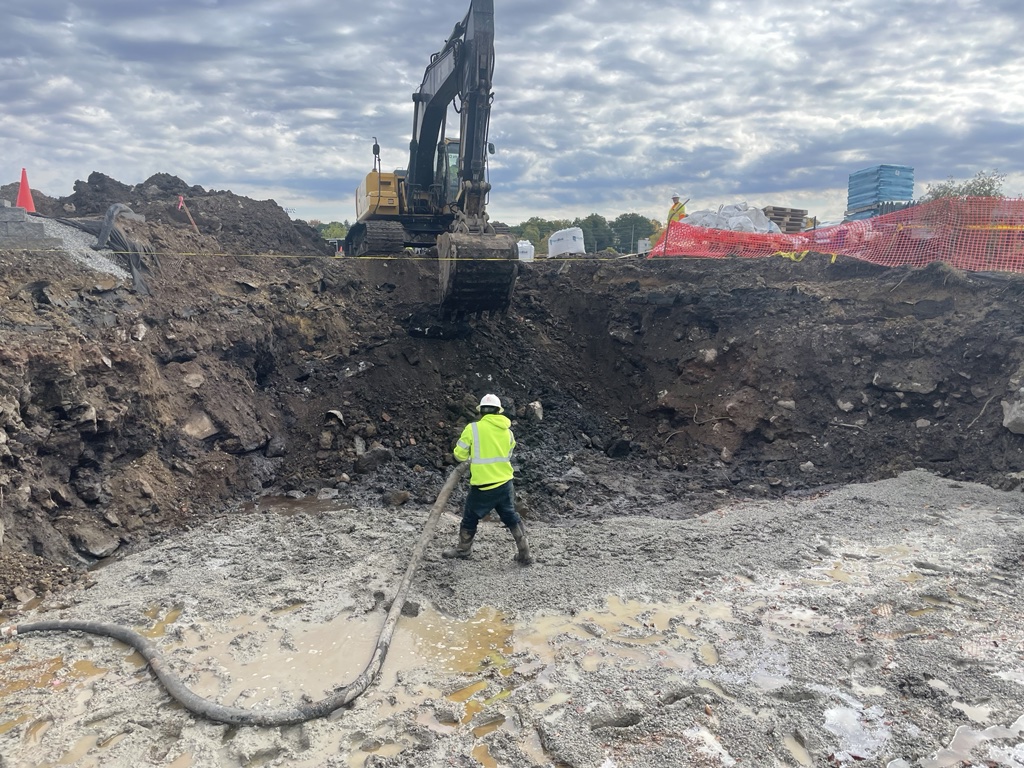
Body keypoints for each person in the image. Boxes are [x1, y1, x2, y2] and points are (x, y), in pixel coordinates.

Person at [443, 394, 534, 565]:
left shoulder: (473, 429)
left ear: (481, 411)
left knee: (470, 517)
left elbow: (459, 454)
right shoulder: (508, 433)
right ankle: (525, 552)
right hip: (505, 483)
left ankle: (464, 549)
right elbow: (507, 454)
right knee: (511, 516)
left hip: (483, 485)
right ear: (498, 412)